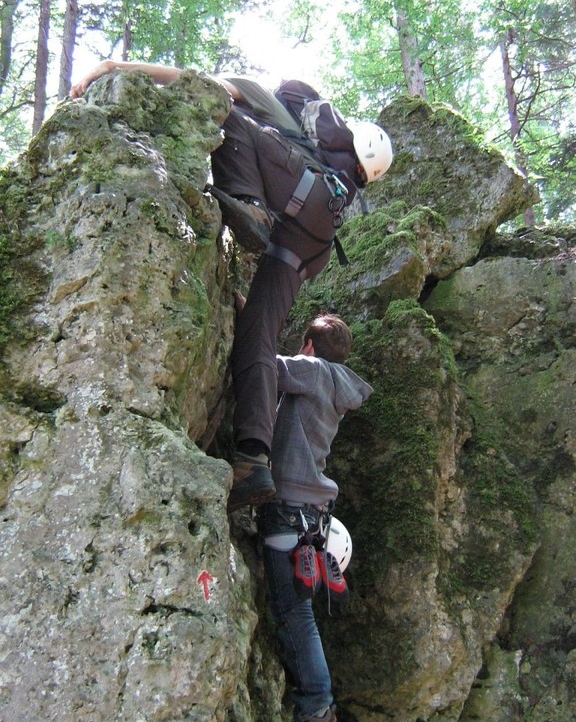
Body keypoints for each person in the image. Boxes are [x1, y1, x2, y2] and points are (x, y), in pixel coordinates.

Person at [70, 61, 392, 510]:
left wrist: (112, 67)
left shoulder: (277, 102)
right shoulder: (346, 179)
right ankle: (252, 460)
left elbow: (202, 87)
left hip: (296, 197)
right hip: (313, 244)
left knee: (229, 114)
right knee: (257, 336)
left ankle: (249, 204)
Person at [255, 313, 373, 722]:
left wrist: (252, 318)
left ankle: (317, 704)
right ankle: (316, 701)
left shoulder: (312, 369)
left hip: (288, 507)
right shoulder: (339, 382)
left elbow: (265, 363)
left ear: (308, 345)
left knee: (294, 612)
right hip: (312, 515)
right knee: (298, 611)